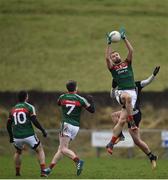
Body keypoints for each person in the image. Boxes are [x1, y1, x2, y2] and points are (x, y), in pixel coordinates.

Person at [110, 66, 160, 169]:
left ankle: (152, 157)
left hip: (134, 113)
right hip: (126, 112)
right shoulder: (120, 87)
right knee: (114, 116)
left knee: (137, 141)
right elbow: (112, 95)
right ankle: (120, 135)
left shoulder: (136, 85)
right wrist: (113, 87)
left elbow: (147, 81)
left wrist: (154, 75)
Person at [44, 80, 95, 176]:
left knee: (63, 149)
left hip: (66, 124)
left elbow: (58, 103)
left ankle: (78, 161)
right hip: (75, 127)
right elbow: (92, 110)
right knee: (61, 149)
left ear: (67, 88)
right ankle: (49, 169)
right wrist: (91, 101)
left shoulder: (62, 97)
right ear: (76, 88)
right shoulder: (80, 99)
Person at [105, 28, 138, 154]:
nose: (114, 56)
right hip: (122, 93)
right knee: (127, 98)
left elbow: (131, 50)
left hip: (132, 93)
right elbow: (107, 59)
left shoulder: (127, 63)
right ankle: (132, 121)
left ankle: (112, 143)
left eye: (116, 55)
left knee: (121, 120)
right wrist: (108, 43)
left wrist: (124, 38)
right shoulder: (112, 68)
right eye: (113, 56)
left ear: (119, 56)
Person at [6, 91, 48, 177]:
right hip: (29, 135)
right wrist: (43, 130)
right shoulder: (29, 107)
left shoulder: (12, 109)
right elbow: (34, 121)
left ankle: (17, 172)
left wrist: (11, 137)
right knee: (39, 150)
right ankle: (43, 171)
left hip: (17, 136)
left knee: (18, 152)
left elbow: (8, 124)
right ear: (26, 97)